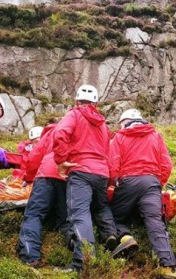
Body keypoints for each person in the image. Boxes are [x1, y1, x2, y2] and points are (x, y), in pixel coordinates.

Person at [109, 109, 176, 278]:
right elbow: (166, 165)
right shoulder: (155, 136)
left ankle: (126, 237)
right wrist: (158, 184)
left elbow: (113, 164)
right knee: (155, 221)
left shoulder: (119, 137)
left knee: (114, 216)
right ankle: (168, 267)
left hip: (128, 181)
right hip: (151, 182)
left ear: (126, 121)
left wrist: (114, 182)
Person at [52, 84, 117, 273]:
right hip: (102, 173)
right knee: (100, 206)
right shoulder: (103, 125)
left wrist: (61, 160)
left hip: (81, 170)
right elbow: (108, 152)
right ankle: (110, 235)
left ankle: (83, 263)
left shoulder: (74, 114)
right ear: (95, 103)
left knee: (79, 214)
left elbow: (59, 134)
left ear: (76, 101)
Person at [17, 123, 69, 267]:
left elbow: (34, 157)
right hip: (67, 177)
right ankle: (77, 249)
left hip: (45, 175)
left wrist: (28, 178)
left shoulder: (50, 133)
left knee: (34, 215)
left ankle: (30, 256)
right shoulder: (76, 132)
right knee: (66, 219)